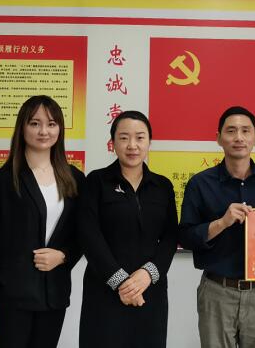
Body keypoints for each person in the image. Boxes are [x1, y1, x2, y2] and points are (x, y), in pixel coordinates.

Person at [0, 95, 85, 348]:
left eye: (51, 124)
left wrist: (64, 256)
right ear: (22, 128)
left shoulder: (75, 179)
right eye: (35, 123)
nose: (44, 131)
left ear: (60, 129)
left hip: (53, 296)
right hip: (11, 298)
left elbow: (83, 234)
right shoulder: (1, 182)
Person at [179, 106, 255, 348]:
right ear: (218, 138)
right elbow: (186, 237)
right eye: (231, 131)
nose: (239, 137)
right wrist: (222, 222)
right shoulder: (200, 183)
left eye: (245, 131)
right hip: (216, 291)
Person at [78, 111, 178, 348]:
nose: (132, 145)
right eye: (124, 138)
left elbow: (170, 237)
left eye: (140, 137)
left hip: (150, 291)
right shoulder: (96, 181)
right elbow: (89, 235)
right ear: (112, 143)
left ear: (149, 142)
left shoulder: (162, 186)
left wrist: (148, 274)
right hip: (105, 290)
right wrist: (121, 282)